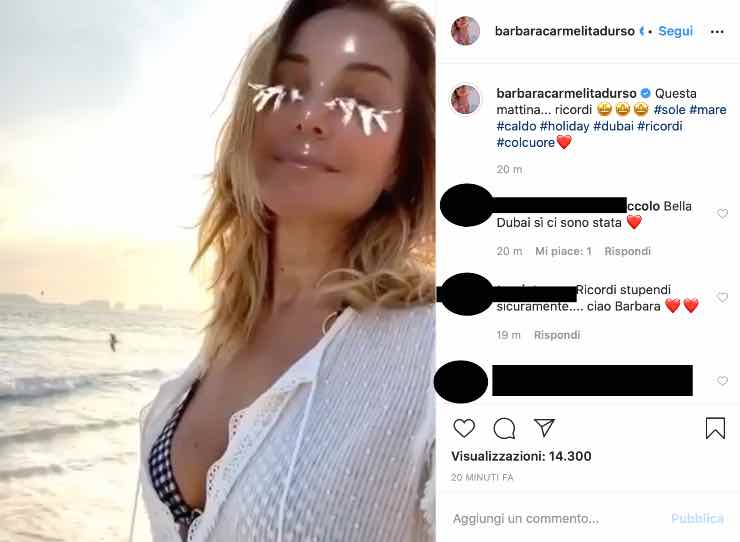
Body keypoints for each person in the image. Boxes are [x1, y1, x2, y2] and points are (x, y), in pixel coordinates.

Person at [128, 1, 436, 541]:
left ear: (400, 161)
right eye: (287, 87)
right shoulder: (226, 336)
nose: (310, 116)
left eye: (359, 101)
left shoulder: (434, 351)